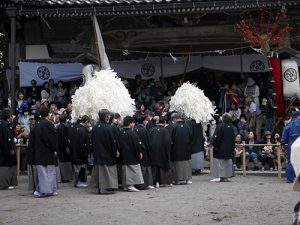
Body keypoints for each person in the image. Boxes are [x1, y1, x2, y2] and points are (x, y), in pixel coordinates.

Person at [31, 108, 58, 197]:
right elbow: (52, 139)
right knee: (50, 171)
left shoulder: (36, 126)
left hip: (39, 151)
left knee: (42, 173)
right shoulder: (49, 125)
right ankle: (50, 190)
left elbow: (32, 141)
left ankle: (43, 190)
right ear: (48, 115)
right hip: (49, 151)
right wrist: (54, 149)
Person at [91, 109, 119, 194]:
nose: (109, 117)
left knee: (98, 170)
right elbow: (112, 141)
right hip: (107, 152)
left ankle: (98, 187)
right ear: (106, 117)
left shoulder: (95, 127)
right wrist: (115, 150)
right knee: (107, 170)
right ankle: (105, 187)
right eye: (108, 115)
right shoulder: (108, 128)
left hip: (97, 152)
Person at [119, 116, 144, 192]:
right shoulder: (132, 133)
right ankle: (131, 185)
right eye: (133, 123)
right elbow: (136, 145)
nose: (134, 124)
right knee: (132, 170)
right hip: (132, 155)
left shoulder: (120, 132)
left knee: (125, 170)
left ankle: (126, 185)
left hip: (123, 155)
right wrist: (139, 152)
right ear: (130, 123)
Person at [210, 113, 235, 182]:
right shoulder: (231, 127)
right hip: (229, 148)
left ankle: (217, 176)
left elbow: (216, 136)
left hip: (220, 147)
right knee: (227, 162)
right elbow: (233, 138)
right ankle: (225, 176)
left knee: (218, 161)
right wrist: (233, 148)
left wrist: (211, 143)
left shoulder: (220, 126)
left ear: (223, 118)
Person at [170, 113, 193, 185]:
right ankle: (188, 179)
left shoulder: (174, 127)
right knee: (187, 163)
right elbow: (191, 136)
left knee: (178, 164)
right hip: (186, 148)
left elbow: (172, 138)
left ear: (175, 119)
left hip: (177, 149)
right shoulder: (187, 126)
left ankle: (178, 179)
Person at [149, 116, 172, 187]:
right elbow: (168, 142)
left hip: (153, 151)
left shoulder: (151, 130)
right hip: (162, 150)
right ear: (164, 122)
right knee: (163, 166)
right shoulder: (165, 131)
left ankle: (156, 182)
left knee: (155, 167)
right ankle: (164, 181)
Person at [70, 115, 91, 188]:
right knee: (81, 168)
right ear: (86, 122)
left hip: (74, 151)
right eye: (88, 123)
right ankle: (80, 182)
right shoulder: (83, 130)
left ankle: (77, 181)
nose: (88, 125)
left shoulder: (75, 128)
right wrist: (85, 152)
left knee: (77, 168)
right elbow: (83, 143)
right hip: (81, 153)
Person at [134, 115, 154, 189]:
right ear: (143, 122)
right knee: (145, 169)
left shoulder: (134, 129)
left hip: (136, 152)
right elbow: (148, 143)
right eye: (145, 120)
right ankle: (145, 184)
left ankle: (138, 184)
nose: (146, 122)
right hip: (144, 152)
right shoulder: (144, 131)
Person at [0, 109, 17, 190]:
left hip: (2, 147)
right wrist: (11, 147)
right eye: (10, 115)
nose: (11, 116)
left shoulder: (2, 123)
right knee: (5, 166)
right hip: (5, 148)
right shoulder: (5, 124)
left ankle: (5, 183)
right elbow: (8, 137)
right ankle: (4, 184)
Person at [281, 111, 300, 183]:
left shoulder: (288, 125)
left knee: (290, 161)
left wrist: (282, 145)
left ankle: (289, 178)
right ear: (298, 116)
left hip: (292, 144)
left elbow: (283, 138)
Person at [56, 114, 73, 183]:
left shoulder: (58, 127)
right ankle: (65, 177)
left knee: (61, 162)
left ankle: (62, 177)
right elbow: (65, 139)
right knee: (65, 163)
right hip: (64, 147)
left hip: (59, 147)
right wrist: (67, 146)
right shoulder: (64, 128)